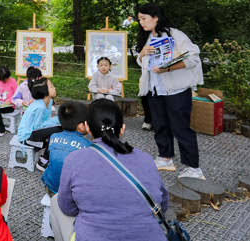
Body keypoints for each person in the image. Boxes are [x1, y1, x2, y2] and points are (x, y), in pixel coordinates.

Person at [51, 99, 169, 241]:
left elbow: (67, 208)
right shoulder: (146, 159)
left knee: (55, 201)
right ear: (122, 128)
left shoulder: (74, 159)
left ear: (87, 127)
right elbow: (163, 203)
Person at [136, 3, 205, 179]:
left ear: (156, 17)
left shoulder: (175, 34)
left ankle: (193, 168)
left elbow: (193, 57)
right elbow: (141, 61)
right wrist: (143, 52)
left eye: (144, 18)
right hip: (155, 89)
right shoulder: (146, 38)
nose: (141, 22)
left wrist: (168, 68)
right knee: (160, 125)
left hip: (177, 90)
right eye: (139, 19)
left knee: (181, 128)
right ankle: (165, 158)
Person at [41, 101, 90, 194]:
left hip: (50, 187)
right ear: (81, 126)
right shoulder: (87, 145)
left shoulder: (53, 136)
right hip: (70, 194)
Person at [16, 77, 61, 172]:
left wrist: (56, 121)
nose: (54, 88)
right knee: (59, 129)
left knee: (58, 129)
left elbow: (46, 121)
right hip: (27, 136)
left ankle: (46, 156)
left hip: (34, 130)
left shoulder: (49, 102)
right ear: (45, 92)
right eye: (51, 86)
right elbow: (38, 126)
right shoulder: (40, 106)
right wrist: (58, 120)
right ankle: (43, 161)